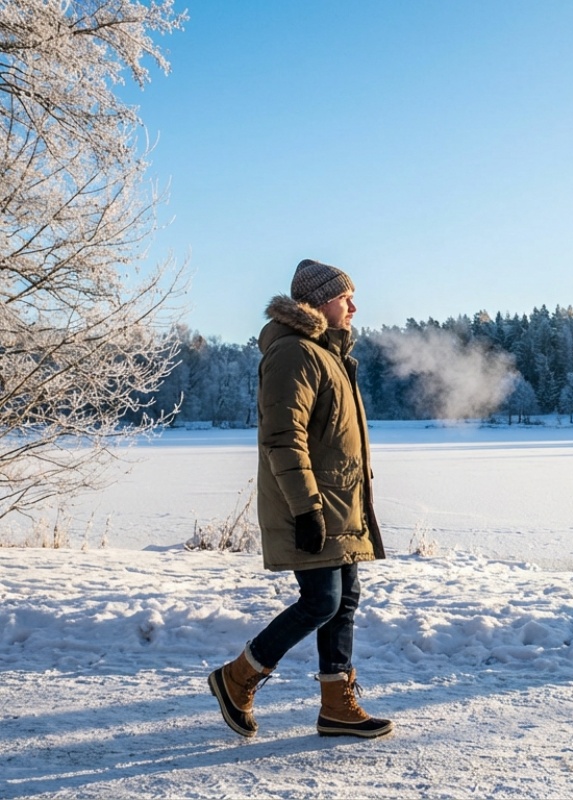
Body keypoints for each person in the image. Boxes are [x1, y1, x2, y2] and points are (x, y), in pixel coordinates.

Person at [208, 258, 392, 739]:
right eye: (344, 297)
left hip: (340, 505)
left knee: (343, 600)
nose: (354, 306)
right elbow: (283, 438)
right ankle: (238, 675)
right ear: (317, 303)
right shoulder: (295, 354)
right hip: (312, 505)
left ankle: (337, 705)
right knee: (322, 602)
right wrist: (306, 508)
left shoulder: (328, 353)